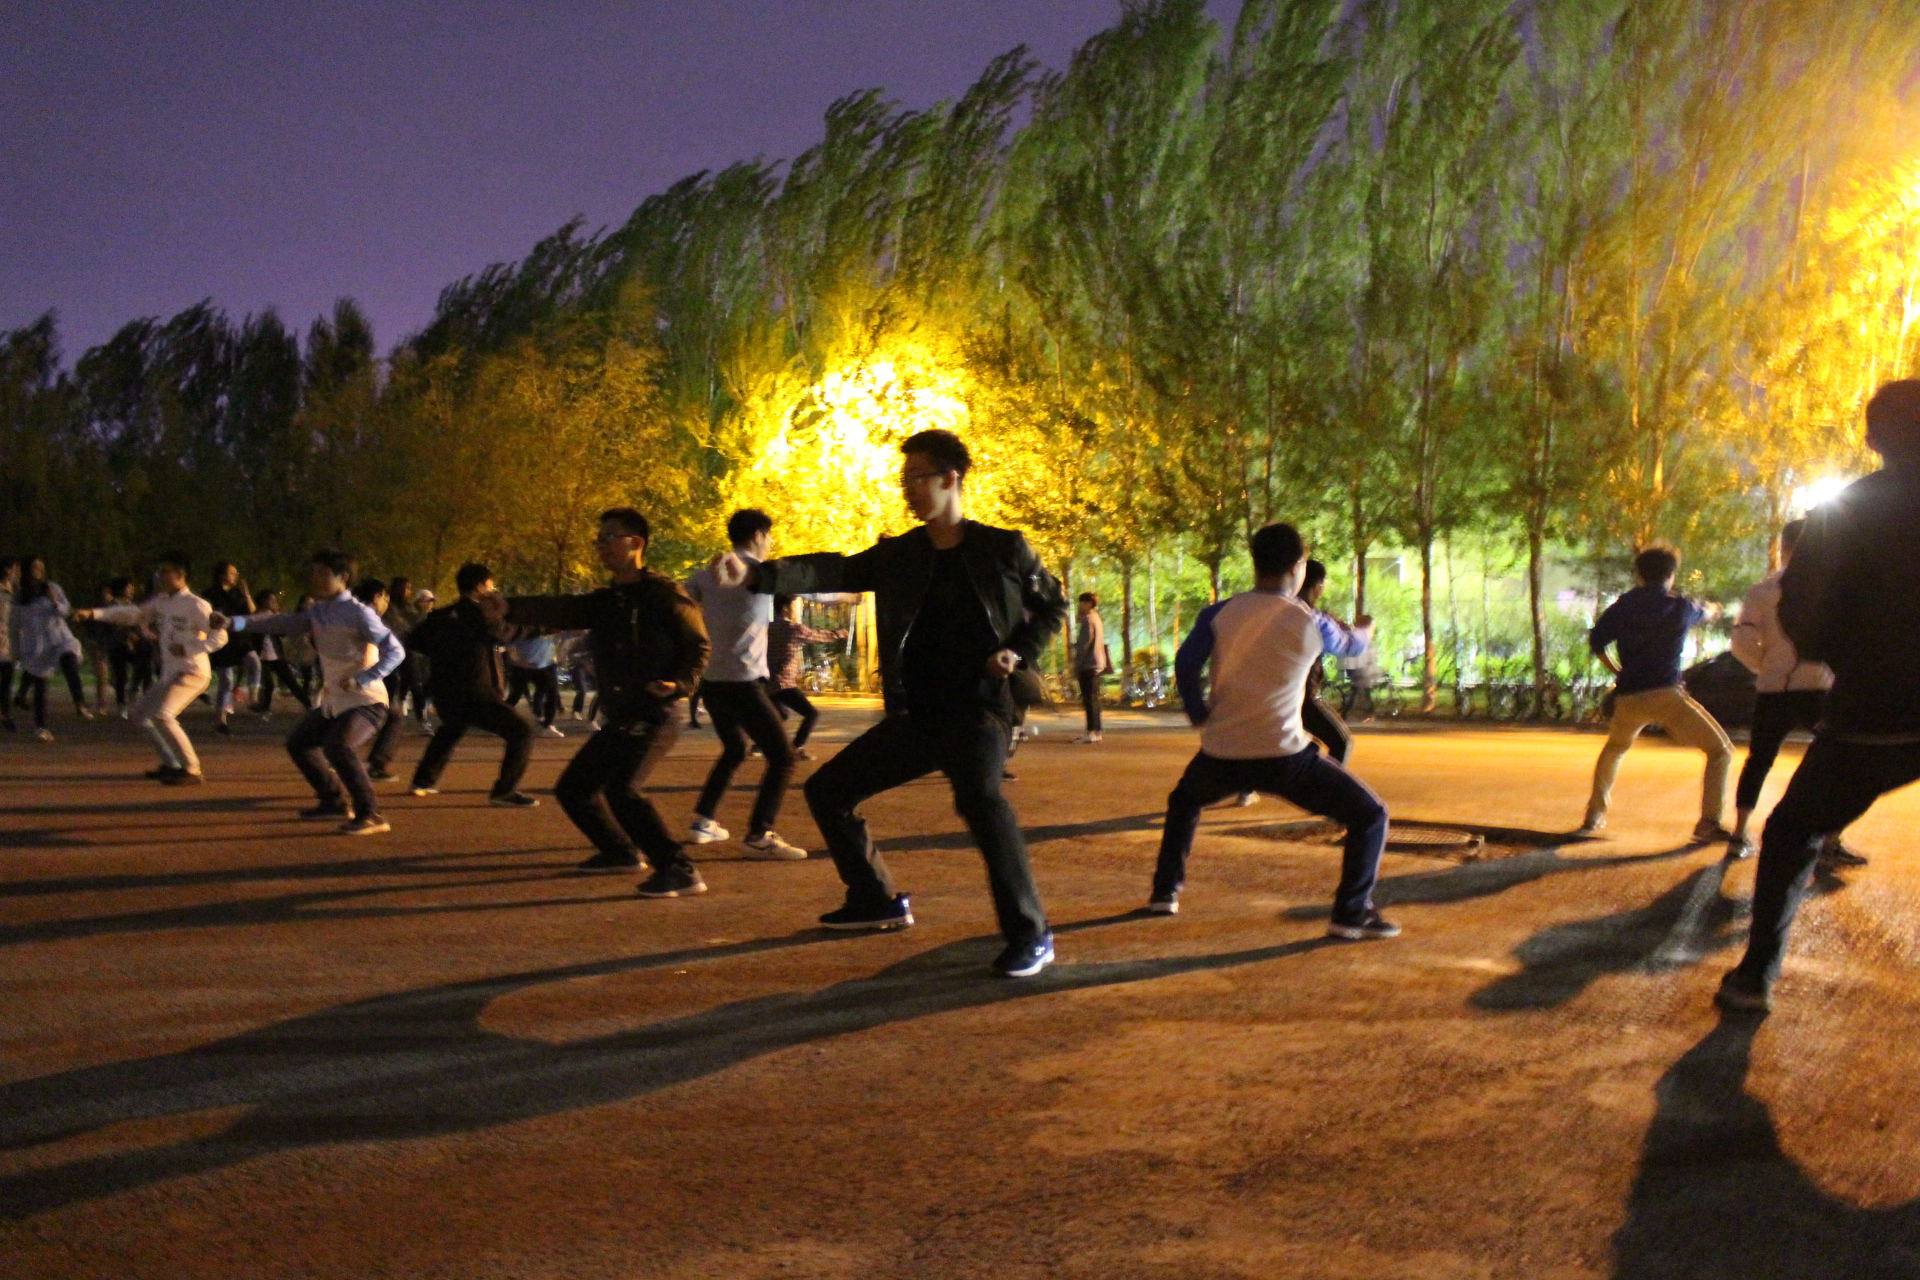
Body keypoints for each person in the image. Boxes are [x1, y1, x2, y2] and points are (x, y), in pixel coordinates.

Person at [713, 429, 1069, 978]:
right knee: (828, 791)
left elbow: (1052, 607)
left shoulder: (1003, 548)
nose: (908, 490)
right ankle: (874, 898)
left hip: (980, 709)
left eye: (917, 478)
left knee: (981, 800)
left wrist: (1017, 652)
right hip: (919, 713)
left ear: (951, 479)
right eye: (904, 480)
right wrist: (760, 573)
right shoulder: (902, 555)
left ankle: (1032, 933)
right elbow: (834, 569)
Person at [1718, 380, 1920, 1011]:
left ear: (1873, 439)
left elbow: (1803, 607)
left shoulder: (1851, 508)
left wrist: (1853, 659)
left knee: (1792, 831)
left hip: (1876, 711)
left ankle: (1755, 975)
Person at [1148, 523, 1399, 939]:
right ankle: (1351, 913)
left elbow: (1186, 662)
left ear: (1255, 563)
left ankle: (1164, 892)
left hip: (1221, 753)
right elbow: (1352, 646)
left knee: (1184, 802)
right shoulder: (1311, 620)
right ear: (1299, 566)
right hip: (1285, 757)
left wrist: (1196, 708)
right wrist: (1366, 629)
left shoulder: (1219, 613)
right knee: (1371, 815)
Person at [485, 507, 710, 894]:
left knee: (623, 790)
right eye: (598, 539)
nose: (600, 546)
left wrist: (679, 683)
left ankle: (679, 869)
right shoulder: (608, 600)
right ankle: (620, 852)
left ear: (635, 543)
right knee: (574, 788)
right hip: (622, 713)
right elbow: (565, 608)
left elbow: (699, 647)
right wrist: (511, 607)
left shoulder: (664, 595)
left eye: (608, 537)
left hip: (655, 710)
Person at [228, 550, 405, 835]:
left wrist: (364, 678)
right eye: (314, 572)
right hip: (335, 701)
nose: (316, 579)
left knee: (338, 747)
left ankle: (370, 813)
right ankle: (333, 801)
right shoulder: (319, 611)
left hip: (366, 701)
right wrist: (235, 622)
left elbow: (395, 651)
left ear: (343, 577)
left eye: (323, 573)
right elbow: (281, 622)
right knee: (299, 743)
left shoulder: (359, 613)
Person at [1725, 519, 1862, 867]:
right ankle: (1830, 839)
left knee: (1759, 760)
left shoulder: (1762, 591)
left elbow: (1741, 640)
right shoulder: (1834, 589)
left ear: (1783, 548)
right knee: (1838, 762)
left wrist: (1767, 666)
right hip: (1820, 688)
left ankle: (1739, 834)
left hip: (1775, 690)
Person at [1577, 545, 1732, 843]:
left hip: (1629, 696)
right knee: (1720, 751)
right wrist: (1715, 607)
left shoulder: (1623, 605)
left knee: (1615, 749)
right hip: (1667, 696)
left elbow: (1597, 642)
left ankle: (1594, 815)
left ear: (1639, 575)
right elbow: (1707, 611)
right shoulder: (1681, 606)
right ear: (1671, 575)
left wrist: (1617, 671)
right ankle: (1709, 822)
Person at [684, 508, 808, 859]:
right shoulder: (763, 574)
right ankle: (759, 834)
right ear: (758, 535)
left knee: (736, 748)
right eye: (769, 536)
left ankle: (703, 821)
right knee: (783, 757)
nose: (771, 543)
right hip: (743, 680)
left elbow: (681, 598)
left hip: (713, 681)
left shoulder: (706, 575)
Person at [70, 551, 227, 785]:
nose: (159, 576)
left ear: (180, 574)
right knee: (140, 714)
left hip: (192, 672)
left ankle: (192, 769)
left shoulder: (196, 605)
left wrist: (189, 648)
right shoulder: (162, 602)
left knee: (163, 715)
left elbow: (220, 636)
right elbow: (134, 614)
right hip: (171, 673)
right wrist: (95, 613)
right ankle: (172, 764)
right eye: (159, 571)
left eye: (165, 571)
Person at [405, 562, 539, 807]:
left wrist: (443, 655)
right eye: (490, 586)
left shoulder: (440, 616)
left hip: (446, 690)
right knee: (522, 731)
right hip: (477, 690)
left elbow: (414, 640)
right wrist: (543, 628)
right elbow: (508, 633)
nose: (493, 591)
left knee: (452, 728)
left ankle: (423, 781)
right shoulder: (482, 616)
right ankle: (504, 791)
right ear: (479, 587)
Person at [14, 555, 90, 740]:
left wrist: (55, 601)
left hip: (60, 637)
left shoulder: (52, 588)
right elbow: (15, 624)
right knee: (40, 686)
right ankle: (41, 727)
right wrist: (16, 649)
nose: (39, 570)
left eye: (41, 567)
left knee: (69, 660)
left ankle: (80, 703)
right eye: (35, 567)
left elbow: (66, 610)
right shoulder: (20, 596)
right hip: (37, 645)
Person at [766, 593, 845, 759]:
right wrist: (839, 633)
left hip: (766, 681)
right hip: (784, 682)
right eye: (794, 606)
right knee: (811, 714)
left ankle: (761, 744)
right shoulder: (794, 629)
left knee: (781, 715)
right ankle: (796, 747)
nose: (795, 610)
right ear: (786, 608)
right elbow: (818, 636)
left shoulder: (766, 628)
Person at [1297, 560, 1357, 765]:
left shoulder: (1275, 611)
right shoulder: (1315, 618)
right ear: (1318, 586)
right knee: (1342, 742)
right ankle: (1329, 783)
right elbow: (1346, 647)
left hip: (1275, 695)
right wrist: (1364, 630)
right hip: (1304, 698)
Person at [203, 562, 254, 737]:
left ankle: (254, 699)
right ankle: (221, 720)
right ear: (222, 575)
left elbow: (251, 612)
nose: (235, 576)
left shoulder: (237, 594)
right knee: (226, 679)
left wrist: (247, 595)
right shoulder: (210, 594)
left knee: (254, 661)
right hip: (219, 641)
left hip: (238, 640)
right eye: (232, 573)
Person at [248, 588, 313, 716]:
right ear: (263, 601)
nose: (274, 602)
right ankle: (264, 707)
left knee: (291, 682)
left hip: (276, 655)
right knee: (269, 684)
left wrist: (281, 621)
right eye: (271, 600)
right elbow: (251, 634)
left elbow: (282, 634)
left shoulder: (275, 616)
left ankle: (309, 705)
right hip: (261, 656)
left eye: (274, 600)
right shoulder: (255, 617)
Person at [504, 633, 565, 739]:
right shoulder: (523, 630)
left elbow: (566, 636)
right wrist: (519, 662)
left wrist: (561, 652)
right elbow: (509, 648)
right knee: (515, 696)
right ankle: (499, 719)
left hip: (546, 666)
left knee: (553, 694)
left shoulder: (549, 630)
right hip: (523, 667)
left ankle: (547, 725)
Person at [1072, 591, 1108, 742]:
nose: (1080, 605)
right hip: (1097, 663)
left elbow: (1084, 644)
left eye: (1081, 602)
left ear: (1088, 603)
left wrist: (1076, 663)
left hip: (1088, 664)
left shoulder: (1088, 620)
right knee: (1094, 699)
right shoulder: (1096, 618)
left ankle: (1091, 731)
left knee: (1089, 700)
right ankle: (1097, 731)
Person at [0, 556, 16, 733]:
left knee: (7, 678)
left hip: (8, 642)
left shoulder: (16, 591)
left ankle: (6, 713)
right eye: (14, 569)